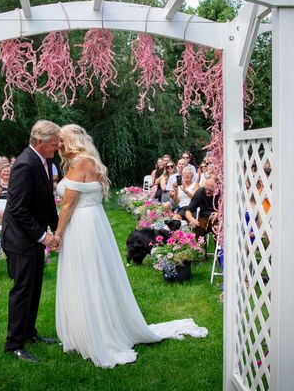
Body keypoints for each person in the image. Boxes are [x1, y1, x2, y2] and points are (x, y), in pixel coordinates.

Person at [54, 124, 207, 368]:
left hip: (82, 224)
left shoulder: (79, 163)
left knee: (88, 275)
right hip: (91, 223)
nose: (58, 144)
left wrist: (58, 233)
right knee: (90, 274)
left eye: (61, 140)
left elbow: (68, 205)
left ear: (72, 141)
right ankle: (91, 324)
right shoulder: (85, 161)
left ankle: (96, 329)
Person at [2, 120, 61, 363]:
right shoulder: (24, 165)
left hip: (33, 239)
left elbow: (47, 202)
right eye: (54, 145)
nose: (56, 149)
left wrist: (58, 230)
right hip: (20, 239)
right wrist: (43, 236)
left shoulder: (44, 162)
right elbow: (17, 209)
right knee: (22, 290)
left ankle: (29, 332)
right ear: (39, 142)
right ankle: (13, 344)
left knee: (35, 287)